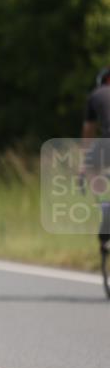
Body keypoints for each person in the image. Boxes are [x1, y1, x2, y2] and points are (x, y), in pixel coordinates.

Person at [82, 66, 110, 254]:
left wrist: (83, 164)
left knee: (91, 168)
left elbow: (88, 130)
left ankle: (106, 207)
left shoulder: (96, 94)